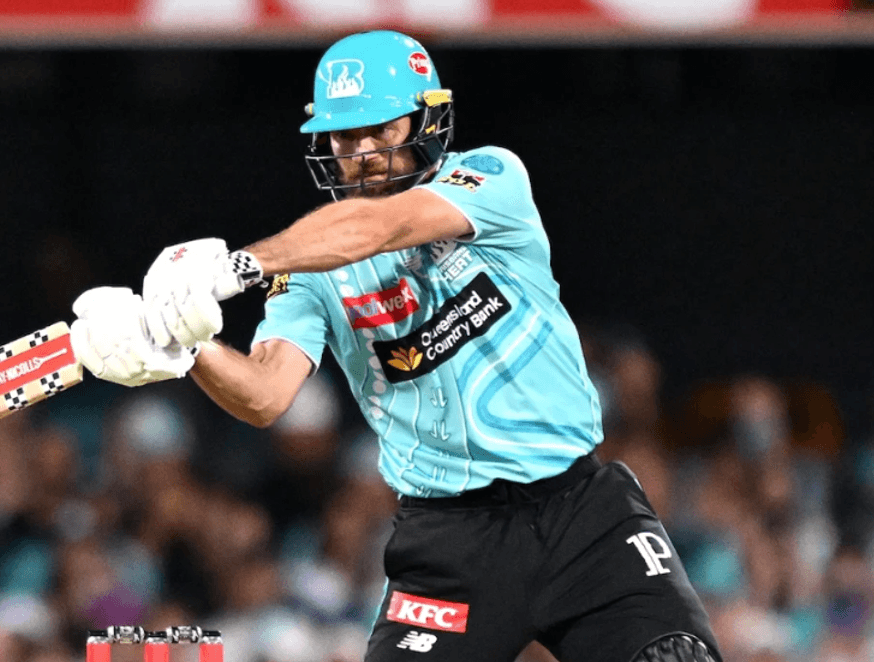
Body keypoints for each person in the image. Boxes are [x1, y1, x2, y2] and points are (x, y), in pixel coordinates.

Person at [68, 30, 721, 662]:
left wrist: (236, 267)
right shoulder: (310, 270)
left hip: (584, 515)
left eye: (381, 130)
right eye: (345, 136)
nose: (363, 152)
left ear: (426, 120)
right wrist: (190, 348)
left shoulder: (492, 178)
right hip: (450, 544)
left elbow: (378, 227)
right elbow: (265, 395)